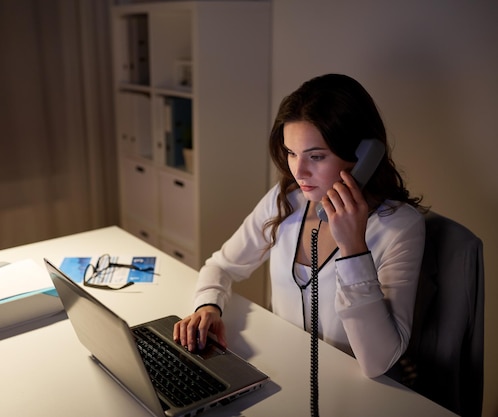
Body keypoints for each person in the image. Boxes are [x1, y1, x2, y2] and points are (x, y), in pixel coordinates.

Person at [173, 73, 426, 378]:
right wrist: (208, 307)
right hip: (283, 373)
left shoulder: (400, 227)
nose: (299, 171)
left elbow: (378, 362)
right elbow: (222, 266)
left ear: (363, 156)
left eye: (316, 156)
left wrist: (354, 249)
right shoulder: (287, 199)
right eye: (292, 153)